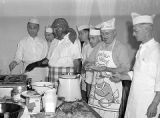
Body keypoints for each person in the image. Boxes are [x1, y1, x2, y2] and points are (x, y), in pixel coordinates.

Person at [86, 18, 130, 118]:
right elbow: (89, 60)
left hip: (112, 88)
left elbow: (125, 68)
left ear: (114, 33)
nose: (104, 37)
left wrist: (106, 69)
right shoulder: (99, 46)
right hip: (96, 88)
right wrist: (88, 64)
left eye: (107, 33)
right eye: (102, 34)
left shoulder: (120, 48)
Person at [119, 12, 160, 118]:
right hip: (134, 99)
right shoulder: (141, 48)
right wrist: (121, 76)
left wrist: (154, 104)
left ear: (146, 30)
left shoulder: (157, 50)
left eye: (136, 31)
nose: (133, 34)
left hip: (147, 103)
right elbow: (137, 74)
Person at [9, 18, 48, 82]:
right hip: (28, 71)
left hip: (41, 72)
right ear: (27, 28)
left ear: (38, 28)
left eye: (34, 28)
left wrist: (47, 74)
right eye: (30, 27)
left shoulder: (44, 42)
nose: (32, 30)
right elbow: (18, 57)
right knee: (28, 90)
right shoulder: (22, 42)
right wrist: (14, 62)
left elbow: (46, 59)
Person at [83, 28, 102, 101]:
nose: (90, 41)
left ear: (100, 38)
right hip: (89, 80)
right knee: (89, 99)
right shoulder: (88, 48)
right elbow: (85, 64)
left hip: (100, 83)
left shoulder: (104, 50)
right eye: (90, 38)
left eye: (93, 38)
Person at [77, 25, 90, 102]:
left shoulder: (91, 46)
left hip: (89, 74)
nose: (79, 36)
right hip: (84, 74)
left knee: (88, 96)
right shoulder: (84, 45)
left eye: (81, 33)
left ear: (88, 33)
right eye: (79, 34)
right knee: (83, 95)